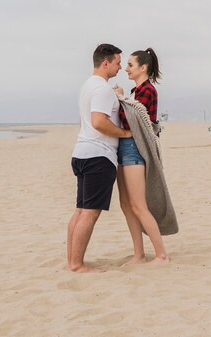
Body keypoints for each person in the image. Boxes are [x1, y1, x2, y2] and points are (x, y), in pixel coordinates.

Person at [67, 44, 132, 273]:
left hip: (81, 152)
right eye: (117, 62)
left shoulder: (88, 86)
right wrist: (125, 133)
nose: (120, 67)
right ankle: (77, 264)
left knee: (80, 210)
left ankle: (72, 262)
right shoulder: (102, 89)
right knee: (90, 212)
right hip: (98, 155)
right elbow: (99, 121)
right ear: (105, 62)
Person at [114, 48, 170, 265]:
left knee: (138, 205)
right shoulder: (136, 93)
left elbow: (133, 122)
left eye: (130, 65)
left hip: (135, 149)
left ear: (143, 68)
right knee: (126, 205)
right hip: (125, 147)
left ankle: (161, 255)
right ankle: (138, 254)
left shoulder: (147, 91)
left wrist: (120, 99)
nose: (126, 69)